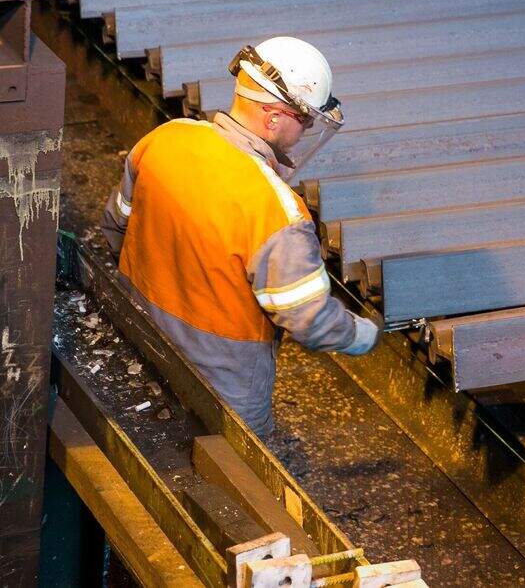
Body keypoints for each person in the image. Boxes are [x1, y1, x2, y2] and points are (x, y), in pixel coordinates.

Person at [100, 36, 379, 436]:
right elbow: (310, 320)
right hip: (222, 386)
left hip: (138, 336)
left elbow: (115, 227)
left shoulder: (166, 139)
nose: (307, 131)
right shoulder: (276, 214)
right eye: (306, 120)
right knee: (236, 483)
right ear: (274, 117)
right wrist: (361, 335)